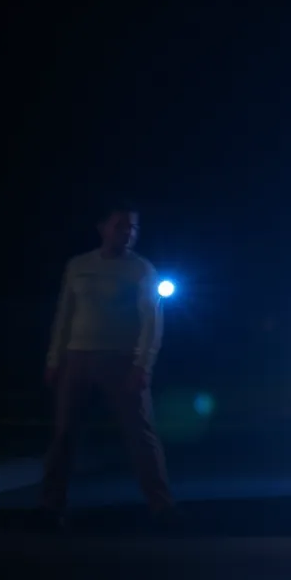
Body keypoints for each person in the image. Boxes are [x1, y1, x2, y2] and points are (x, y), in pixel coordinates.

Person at [38, 202, 178, 529]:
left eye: (133, 227)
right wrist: (54, 358)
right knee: (64, 434)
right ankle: (49, 507)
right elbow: (64, 314)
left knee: (141, 434)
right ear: (103, 228)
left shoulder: (141, 269)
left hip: (122, 359)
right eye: (121, 226)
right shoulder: (78, 266)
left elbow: (151, 321)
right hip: (78, 356)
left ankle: (163, 508)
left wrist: (143, 365)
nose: (128, 233)